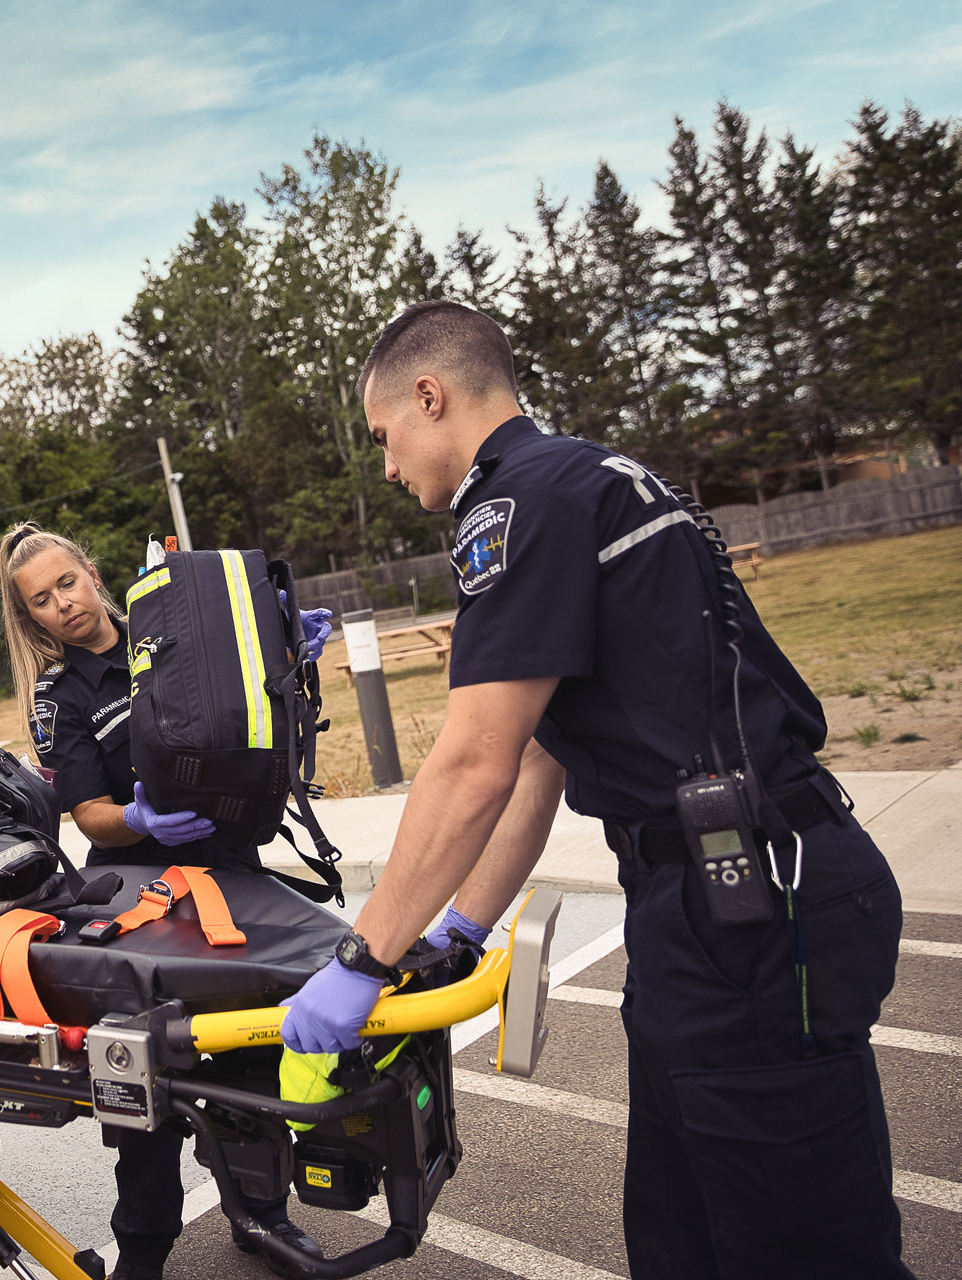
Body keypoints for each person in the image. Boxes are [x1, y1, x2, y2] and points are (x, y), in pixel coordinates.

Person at [279, 300, 911, 1280]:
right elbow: (539, 753)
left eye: (384, 438)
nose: (391, 467)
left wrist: (368, 953)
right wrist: (461, 928)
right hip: (704, 901)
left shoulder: (515, 502)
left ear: (430, 395)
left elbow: (474, 756)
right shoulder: (588, 475)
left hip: (749, 900)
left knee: (806, 1251)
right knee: (682, 1234)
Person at [0, 523, 331, 1280]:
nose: (63, 605)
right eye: (42, 601)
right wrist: (140, 820)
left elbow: (240, 696)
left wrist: (285, 653)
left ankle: (261, 1212)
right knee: (142, 1082)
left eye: (68, 583)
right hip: (137, 897)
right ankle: (142, 1254)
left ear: (91, 570)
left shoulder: (168, 625)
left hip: (225, 869)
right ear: (31, 618)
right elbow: (89, 815)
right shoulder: (59, 695)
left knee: (252, 1050)